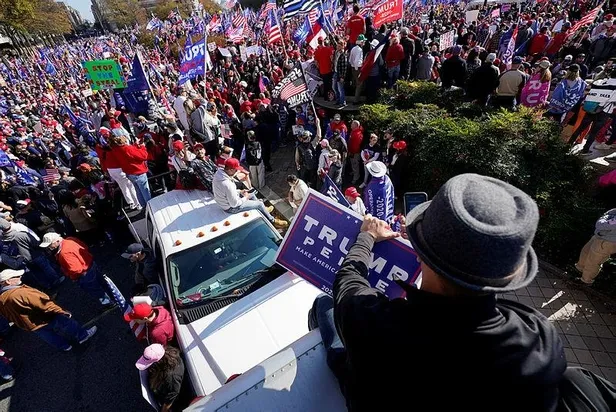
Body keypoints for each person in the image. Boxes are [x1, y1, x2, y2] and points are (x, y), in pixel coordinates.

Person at [308, 173, 568, 411]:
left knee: (325, 304)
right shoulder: (540, 340)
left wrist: (366, 237)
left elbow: (348, 282)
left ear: (420, 255)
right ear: (508, 277)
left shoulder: (375, 325)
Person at [0, 268, 97, 351]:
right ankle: (83, 336)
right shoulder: (20, 293)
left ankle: (65, 346)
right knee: (67, 323)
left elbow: (7, 316)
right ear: (8, 281)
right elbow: (42, 304)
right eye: (16, 276)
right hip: (45, 316)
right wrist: (60, 310)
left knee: (49, 336)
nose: (20, 277)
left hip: (31, 325)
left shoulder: (1, 298)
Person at [212, 158, 288, 229]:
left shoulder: (219, 175)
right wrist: (245, 197)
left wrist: (240, 191)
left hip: (225, 203)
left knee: (252, 195)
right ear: (231, 170)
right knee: (259, 204)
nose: (237, 171)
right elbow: (234, 204)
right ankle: (273, 221)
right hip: (231, 208)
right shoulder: (227, 184)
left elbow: (226, 192)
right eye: (236, 170)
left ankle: (264, 210)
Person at [39, 232, 111, 306]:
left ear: (57, 241)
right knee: (102, 283)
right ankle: (113, 297)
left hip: (84, 274)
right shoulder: (70, 239)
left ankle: (108, 303)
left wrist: (73, 278)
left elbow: (76, 270)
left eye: (50, 245)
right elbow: (84, 246)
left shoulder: (64, 253)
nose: (49, 247)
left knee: (95, 290)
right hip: (91, 264)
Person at [0, 218, 64, 290]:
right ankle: (56, 281)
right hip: (35, 255)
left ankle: (47, 286)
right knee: (46, 268)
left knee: (37, 273)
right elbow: (35, 243)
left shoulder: (4, 240)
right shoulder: (21, 234)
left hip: (24, 260)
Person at [136, 344, 185, 412]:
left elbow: (172, 395)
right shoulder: (166, 352)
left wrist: (163, 410)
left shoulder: (171, 377)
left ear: (158, 362)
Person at [574, 209, 616, 284]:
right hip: (600, 236)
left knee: (593, 261)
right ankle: (579, 271)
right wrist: (605, 218)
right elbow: (607, 214)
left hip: (607, 242)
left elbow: (601, 224)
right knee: (585, 252)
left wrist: (604, 219)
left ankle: (585, 281)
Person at [111, 135, 151, 208]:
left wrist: (135, 145)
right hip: (138, 172)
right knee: (145, 191)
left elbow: (132, 152)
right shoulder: (127, 148)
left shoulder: (116, 150)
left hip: (129, 173)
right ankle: (150, 206)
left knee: (138, 190)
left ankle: (144, 206)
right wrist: (142, 147)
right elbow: (144, 156)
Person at [349, 35, 366, 101]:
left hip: (353, 68)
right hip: (357, 68)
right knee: (359, 85)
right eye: (363, 41)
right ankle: (356, 100)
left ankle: (354, 97)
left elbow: (350, 60)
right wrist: (357, 69)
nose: (364, 43)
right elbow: (357, 61)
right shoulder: (359, 50)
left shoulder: (353, 48)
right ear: (361, 42)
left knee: (356, 84)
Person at [348, 120, 363, 186]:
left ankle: (356, 177)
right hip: (351, 151)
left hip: (355, 153)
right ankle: (354, 173)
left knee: (355, 165)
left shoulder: (358, 134)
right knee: (353, 164)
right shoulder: (353, 131)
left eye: (352, 124)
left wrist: (352, 152)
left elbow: (356, 146)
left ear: (356, 125)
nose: (351, 125)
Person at [333, 41, 348, 106]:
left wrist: (342, 77)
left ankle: (342, 102)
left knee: (340, 89)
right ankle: (338, 100)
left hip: (340, 74)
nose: (337, 47)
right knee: (334, 87)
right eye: (337, 46)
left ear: (342, 46)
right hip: (335, 72)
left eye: (339, 46)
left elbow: (345, 67)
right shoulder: (336, 52)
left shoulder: (343, 55)